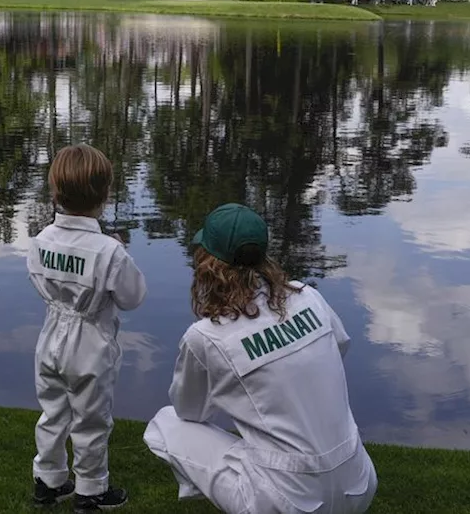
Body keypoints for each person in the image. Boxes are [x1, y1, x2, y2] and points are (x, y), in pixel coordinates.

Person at [144, 203, 377, 514]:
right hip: (359, 483)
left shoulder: (206, 336)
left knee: (166, 423)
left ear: (208, 264)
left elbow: (191, 412)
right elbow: (340, 347)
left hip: (288, 502)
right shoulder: (308, 296)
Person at [29, 143, 147, 511]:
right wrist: (119, 252)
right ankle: (90, 489)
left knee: (52, 411)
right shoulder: (108, 251)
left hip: (50, 336)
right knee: (92, 419)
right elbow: (132, 297)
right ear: (105, 194)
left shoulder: (40, 241)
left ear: (55, 192)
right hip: (90, 341)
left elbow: (39, 281)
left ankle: (48, 482)